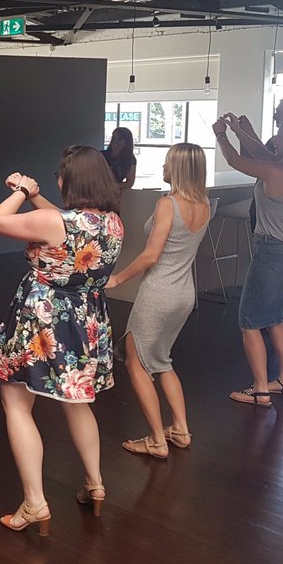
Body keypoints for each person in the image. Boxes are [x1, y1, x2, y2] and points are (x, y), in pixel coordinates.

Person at [0, 147, 124, 534]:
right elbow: (61, 221)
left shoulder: (55, 222)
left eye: (61, 175)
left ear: (71, 181)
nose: (58, 181)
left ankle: (35, 503)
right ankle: (95, 484)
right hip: (85, 321)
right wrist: (34, 195)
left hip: (43, 320)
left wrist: (20, 190)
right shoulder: (112, 222)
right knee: (77, 402)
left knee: (15, 400)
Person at [106, 143, 210, 458]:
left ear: (178, 168)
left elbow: (151, 255)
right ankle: (180, 429)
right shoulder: (204, 203)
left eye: (167, 163)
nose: (163, 168)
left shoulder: (168, 204)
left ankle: (156, 440)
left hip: (159, 293)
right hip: (184, 293)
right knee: (162, 360)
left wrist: (118, 278)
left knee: (135, 361)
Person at [214, 115, 283, 406]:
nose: (276, 139)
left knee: (249, 323)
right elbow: (263, 155)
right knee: (273, 320)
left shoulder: (277, 171)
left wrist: (221, 135)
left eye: (281, 135)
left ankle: (260, 389)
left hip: (270, 254)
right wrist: (242, 131)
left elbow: (235, 160)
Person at [103, 126, 137, 191]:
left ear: (126, 143)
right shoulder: (101, 155)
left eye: (119, 139)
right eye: (113, 138)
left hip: (113, 191)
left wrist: (112, 187)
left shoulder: (130, 159)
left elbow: (130, 182)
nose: (115, 141)